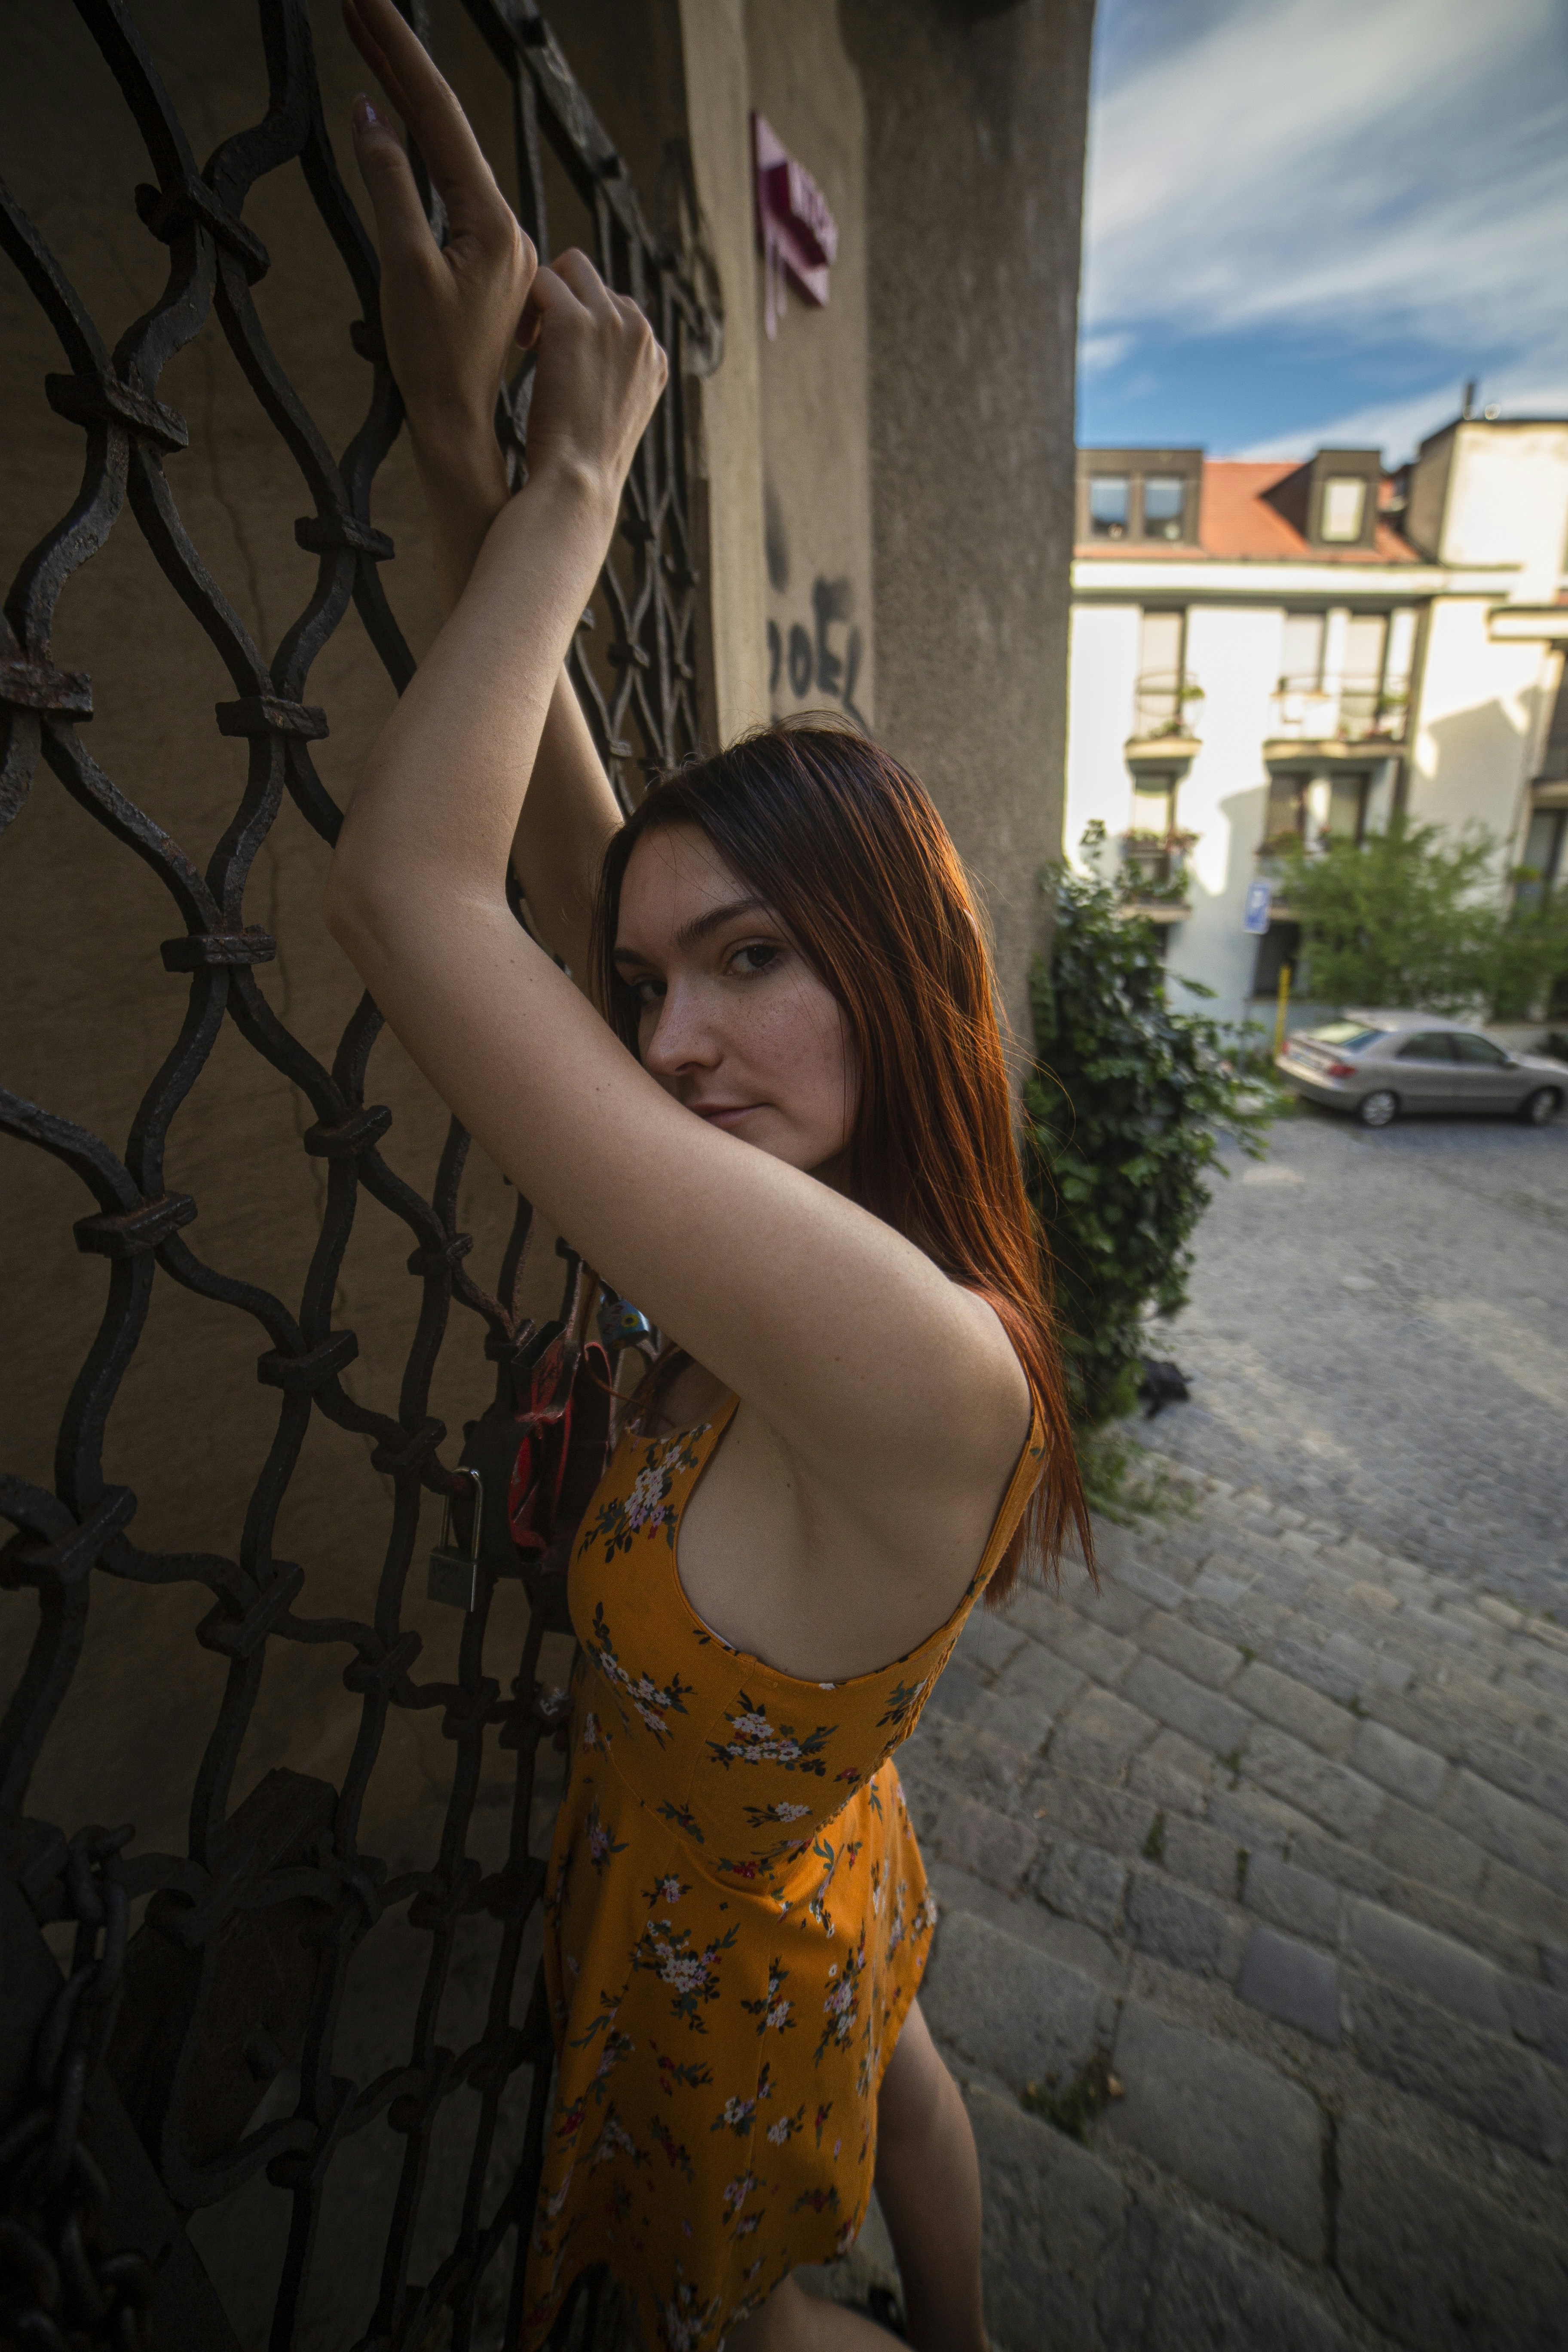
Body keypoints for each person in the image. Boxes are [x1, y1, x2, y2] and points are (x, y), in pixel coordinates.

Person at [328, 6, 1089, 2346]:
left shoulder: (911, 1357)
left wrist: (591, 476)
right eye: (649, 985)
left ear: (883, 954)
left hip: (728, 1952)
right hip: (816, 1861)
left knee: (751, 2326)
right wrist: (474, 449)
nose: (664, 1040)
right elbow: (568, 847)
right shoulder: (872, 1234)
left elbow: (425, 898)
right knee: (921, 2076)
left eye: (743, 963)